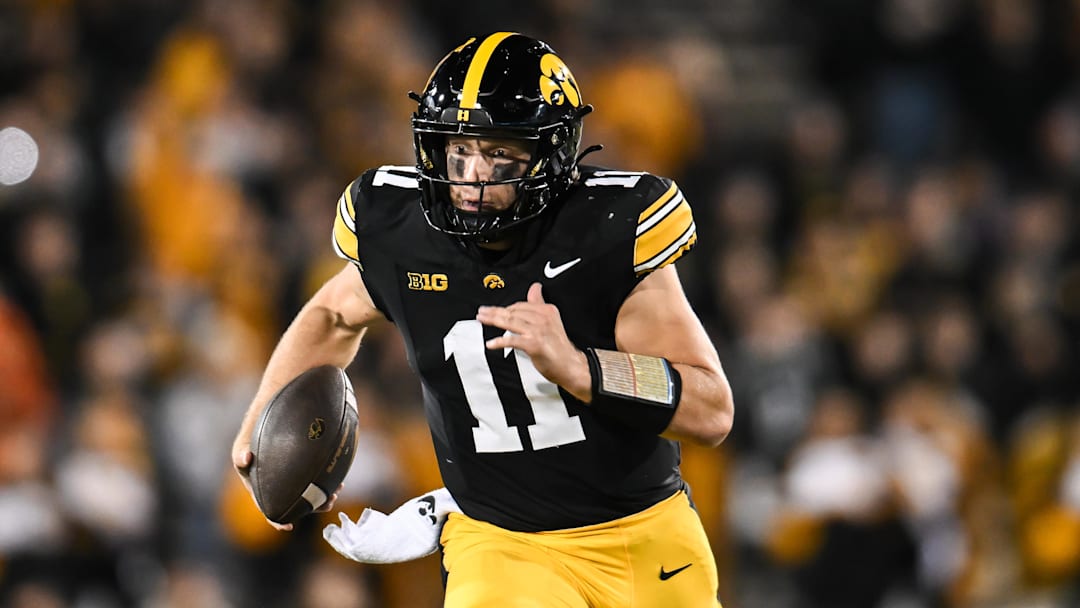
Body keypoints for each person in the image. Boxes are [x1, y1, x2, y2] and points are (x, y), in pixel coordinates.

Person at [232, 32, 734, 607]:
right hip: (501, 541)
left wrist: (580, 368)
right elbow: (331, 316)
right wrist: (257, 428)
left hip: (639, 533)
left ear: (553, 155)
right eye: (459, 150)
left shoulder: (609, 233)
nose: (472, 176)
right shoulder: (400, 232)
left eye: (500, 154)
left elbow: (711, 409)